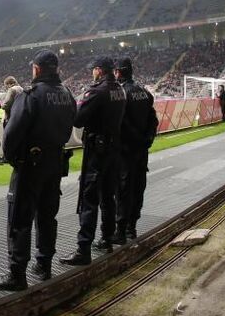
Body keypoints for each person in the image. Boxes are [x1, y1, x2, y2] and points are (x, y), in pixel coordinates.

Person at [0, 49, 76, 291]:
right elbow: (72, 124)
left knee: (20, 221)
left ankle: (17, 274)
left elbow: (11, 136)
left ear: (36, 69)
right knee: (47, 217)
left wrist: (17, 161)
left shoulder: (31, 95)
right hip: (55, 164)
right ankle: (44, 265)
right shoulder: (67, 94)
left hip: (31, 166)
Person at [61, 56, 126, 265]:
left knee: (89, 199)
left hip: (97, 152)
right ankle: (106, 239)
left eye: (94, 70)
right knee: (108, 198)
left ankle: (83, 250)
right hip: (114, 149)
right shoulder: (120, 90)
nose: (92, 73)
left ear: (99, 70)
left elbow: (78, 120)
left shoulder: (96, 92)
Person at [113, 57, 158, 244]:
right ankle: (132, 227)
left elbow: (121, 123)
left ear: (118, 72)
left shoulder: (120, 93)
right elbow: (153, 121)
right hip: (141, 151)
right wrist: (146, 140)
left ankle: (121, 231)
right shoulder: (145, 93)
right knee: (138, 187)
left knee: (123, 190)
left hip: (125, 151)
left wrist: (136, 140)